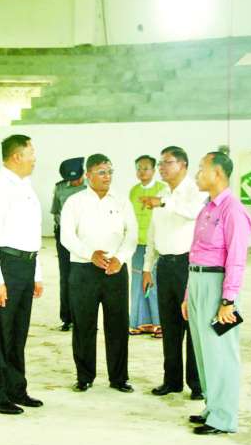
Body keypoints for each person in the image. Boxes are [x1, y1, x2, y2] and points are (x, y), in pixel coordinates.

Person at [181, 148, 251, 435]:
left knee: (221, 352)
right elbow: (196, 253)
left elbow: (236, 258)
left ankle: (224, 418)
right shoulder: (207, 208)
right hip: (198, 282)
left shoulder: (232, 209)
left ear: (218, 173)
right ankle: (212, 407)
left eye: (201, 169)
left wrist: (228, 301)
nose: (197, 175)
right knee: (204, 351)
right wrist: (188, 294)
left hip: (217, 286)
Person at [0, 134, 44, 415]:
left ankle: (16, 388)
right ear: (17, 156)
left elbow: (31, 233)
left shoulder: (25, 186)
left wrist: (36, 273)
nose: (35, 158)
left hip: (25, 266)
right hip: (5, 265)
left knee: (18, 333)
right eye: (32, 152)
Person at [61, 154, 138, 393]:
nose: (107, 177)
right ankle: (84, 377)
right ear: (88, 175)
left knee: (118, 325)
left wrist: (120, 258)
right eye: (102, 172)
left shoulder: (122, 202)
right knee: (84, 325)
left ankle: (119, 378)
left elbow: (132, 234)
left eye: (110, 172)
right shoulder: (75, 202)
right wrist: (90, 254)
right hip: (83, 270)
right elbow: (66, 237)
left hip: (115, 269)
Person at [141, 146, 205, 400]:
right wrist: (147, 267)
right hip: (165, 266)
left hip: (188, 265)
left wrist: (164, 202)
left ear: (183, 165)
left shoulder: (196, 191)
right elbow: (152, 234)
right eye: (160, 163)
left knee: (192, 325)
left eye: (167, 162)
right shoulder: (162, 194)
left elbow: (192, 213)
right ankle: (172, 380)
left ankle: (197, 384)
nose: (162, 167)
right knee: (169, 326)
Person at [128, 155, 166, 336]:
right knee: (137, 282)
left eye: (146, 168)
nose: (142, 172)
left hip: (155, 244)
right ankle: (140, 322)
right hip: (137, 243)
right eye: (139, 168)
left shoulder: (162, 190)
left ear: (154, 170)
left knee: (153, 282)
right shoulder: (133, 191)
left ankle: (159, 323)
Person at [50, 157, 87, 332]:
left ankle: (85, 318)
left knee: (85, 276)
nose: (75, 182)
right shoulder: (59, 188)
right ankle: (67, 318)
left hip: (86, 236)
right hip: (64, 236)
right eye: (71, 179)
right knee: (66, 276)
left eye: (77, 178)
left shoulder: (90, 187)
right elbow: (55, 211)